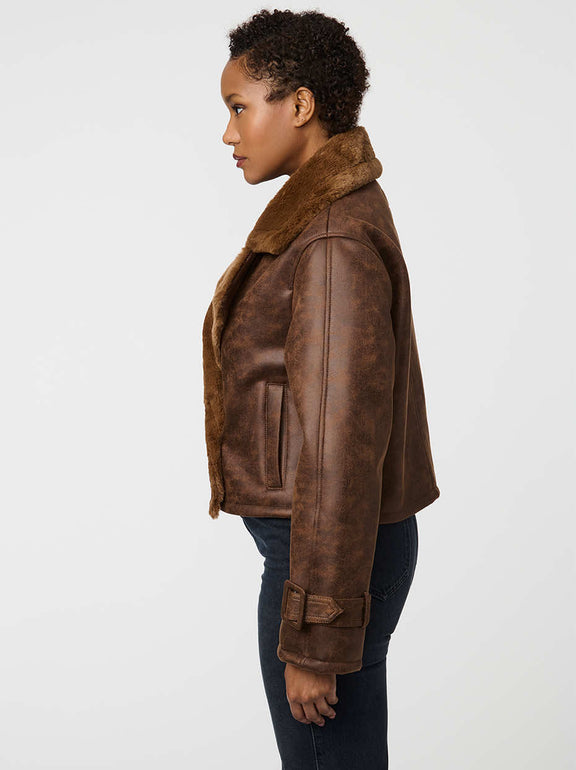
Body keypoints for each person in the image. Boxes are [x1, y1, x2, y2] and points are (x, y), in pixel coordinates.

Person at [201, 8, 441, 768]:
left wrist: (315, 636)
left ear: (300, 105)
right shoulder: (324, 220)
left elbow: (340, 446)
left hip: (323, 560)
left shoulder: (331, 236)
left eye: (240, 107)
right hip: (328, 550)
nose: (229, 134)